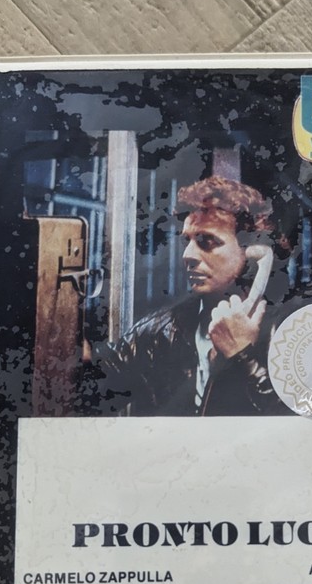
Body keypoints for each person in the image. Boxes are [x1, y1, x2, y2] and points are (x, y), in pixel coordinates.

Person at [94, 176, 286, 415]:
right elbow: (91, 388)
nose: (188, 255)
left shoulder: (286, 331)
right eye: (188, 241)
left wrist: (242, 356)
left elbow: (300, 427)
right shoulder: (161, 330)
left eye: (207, 241)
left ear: (255, 252)